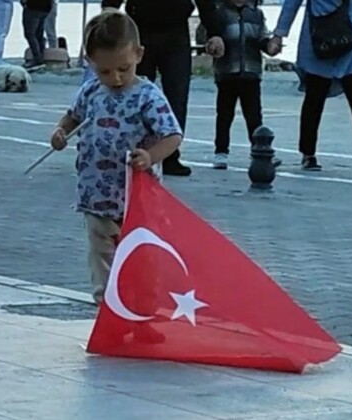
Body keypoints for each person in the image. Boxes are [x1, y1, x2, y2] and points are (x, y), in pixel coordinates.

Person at [49, 11, 183, 306]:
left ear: (139, 54)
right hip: (96, 196)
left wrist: (150, 156)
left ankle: (144, 312)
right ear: (90, 62)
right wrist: (60, 132)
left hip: (137, 200)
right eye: (105, 71)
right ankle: (107, 308)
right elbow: (72, 117)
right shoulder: (91, 91)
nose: (116, 78)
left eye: (123, 68)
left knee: (142, 259)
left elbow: (172, 136)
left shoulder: (148, 96)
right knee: (101, 258)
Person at [269, 0, 352, 173]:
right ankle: (308, 153)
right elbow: (292, 3)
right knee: (315, 100)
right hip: (322, 42)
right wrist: (279, 34)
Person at [100, 0, 226, 177]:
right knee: (133, 95)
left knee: (177, 97)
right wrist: (109, 11)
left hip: (176, 32)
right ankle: (129, 152)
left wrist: (215, 33)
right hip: (139, 29)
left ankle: (169, 156)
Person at [211, 0, 281, 170]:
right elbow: (210, 37)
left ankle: (259, 150)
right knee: (224, 115)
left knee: (254, 115)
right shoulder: (219, 13)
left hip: (251, 72)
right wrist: (212, 46)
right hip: (227, 72)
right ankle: (221, 151)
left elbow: (262, 38)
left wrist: (270, 46)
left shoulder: (256, 13)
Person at [21, 0, 53, 69]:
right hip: (45, 8)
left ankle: (37, 58)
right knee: (38, 33)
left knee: (30, 34)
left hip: (33, 7)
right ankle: (40, 56)